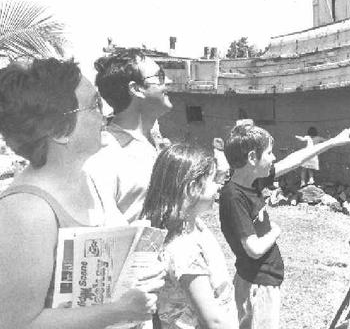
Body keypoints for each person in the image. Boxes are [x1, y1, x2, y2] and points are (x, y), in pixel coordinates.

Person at [0, 58, 164, 329]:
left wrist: (141, 271)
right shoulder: (27, 212)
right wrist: (117, 312)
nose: (108, 111)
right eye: (95, 104)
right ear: (59, 130)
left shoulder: (90, 179)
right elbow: (17, 323)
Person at [219, 122, 350, 329]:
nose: (274, 158)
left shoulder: (252, 182)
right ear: (252, 158)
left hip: (260, 280)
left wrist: (333, 142)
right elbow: (254, 249)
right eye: (269, 153)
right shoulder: (234, 196)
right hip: (257, 284)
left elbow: (294, 160)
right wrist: (275, 231)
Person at [140, 143, 237, 329]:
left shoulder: (192, 228)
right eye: (213, 179)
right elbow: (213, 321)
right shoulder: (184, 249)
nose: (218, 186)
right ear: (193, 188)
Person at [84, 48, 173, 223]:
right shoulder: (105, 155)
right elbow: (109, 233)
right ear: (136, 89)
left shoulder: (154, 142)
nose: (168, 81)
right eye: (160, 76)